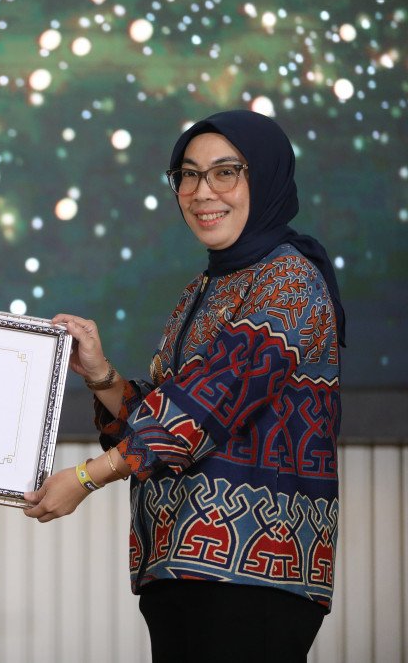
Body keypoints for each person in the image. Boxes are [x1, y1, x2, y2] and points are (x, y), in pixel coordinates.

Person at [24, 110, 344, 663]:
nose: (202, 192)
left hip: (253, 568)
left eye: (226, 172)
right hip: (182, 565)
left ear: (265, 177)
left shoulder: (290, 281)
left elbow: (209, 406)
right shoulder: (207, 285)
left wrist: (85, 477)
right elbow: (168, 410)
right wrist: (100, 373)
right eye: (188, 174)